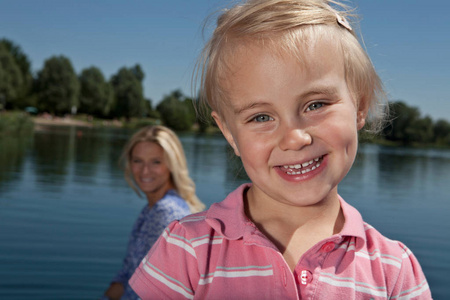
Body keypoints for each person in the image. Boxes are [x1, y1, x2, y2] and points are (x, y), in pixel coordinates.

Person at [129, 1, 432, 299]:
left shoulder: (395, 271)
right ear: (229, 133)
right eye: (261, 117)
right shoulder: (187, 249)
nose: (294, 138)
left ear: (360, 106)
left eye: (316, 105)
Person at [102, 125, 205, 300]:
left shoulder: (166, 213)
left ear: (172, 165)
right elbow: (129, 274)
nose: (144, 171)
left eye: (156, 162)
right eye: (137, 161)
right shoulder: (154, 208)